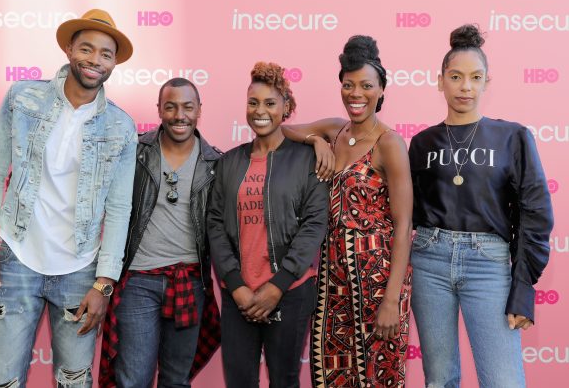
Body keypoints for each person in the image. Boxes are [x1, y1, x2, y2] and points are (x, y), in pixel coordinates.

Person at [0, 9, 137, 387]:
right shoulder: (22, 98)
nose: (95, 60)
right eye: (87, 49)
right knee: (5, 381)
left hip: (81, 269)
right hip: (16, 259)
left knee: (74, 381)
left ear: (113, 63)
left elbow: (119, 209)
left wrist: (103, 282)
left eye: (106, 54)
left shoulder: (120, 127)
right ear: (68, 49)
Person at [408, 24, 554, 388]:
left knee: (503, 381)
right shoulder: (421, 143)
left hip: (488, 264)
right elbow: (403, 213)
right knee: (439, 379)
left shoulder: (512, 137)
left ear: (488, 81)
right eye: (456, 77)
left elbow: (534, 213)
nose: (465, 86)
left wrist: (523, 286)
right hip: (429, 260)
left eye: (475, 77)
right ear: (440, 80)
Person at [283, 36, 413, 387]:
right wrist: (315, 141)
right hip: (332, 279)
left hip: (379, 281)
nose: (356, 94)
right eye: (348, 85)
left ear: (382, 89)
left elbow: (403, 228)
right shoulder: (334, 130)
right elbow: (283, 130)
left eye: (366, 86)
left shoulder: (390, 144)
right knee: (332, 373)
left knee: (378, 376)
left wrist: (391, 300)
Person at [207, 62, 328, 388]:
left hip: (290, 291)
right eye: (253, 102)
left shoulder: (306, 160)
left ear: (286, 108)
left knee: (284, 381)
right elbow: (215, 224)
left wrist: (278, 284)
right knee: (239, 380)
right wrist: (235, 285)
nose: (260, 110)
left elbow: (315, 223)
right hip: (239, 295)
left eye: (270, 103)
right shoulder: (229, 162)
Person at [98, 78, 221, 388]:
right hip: (139, 281)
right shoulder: (136, 152)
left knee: (176, 381)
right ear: (159, 110)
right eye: (171, 107)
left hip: (190, 282)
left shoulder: (215, 163)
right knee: (133, 380)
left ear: (199, 111)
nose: (179, 115)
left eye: (187, 107)